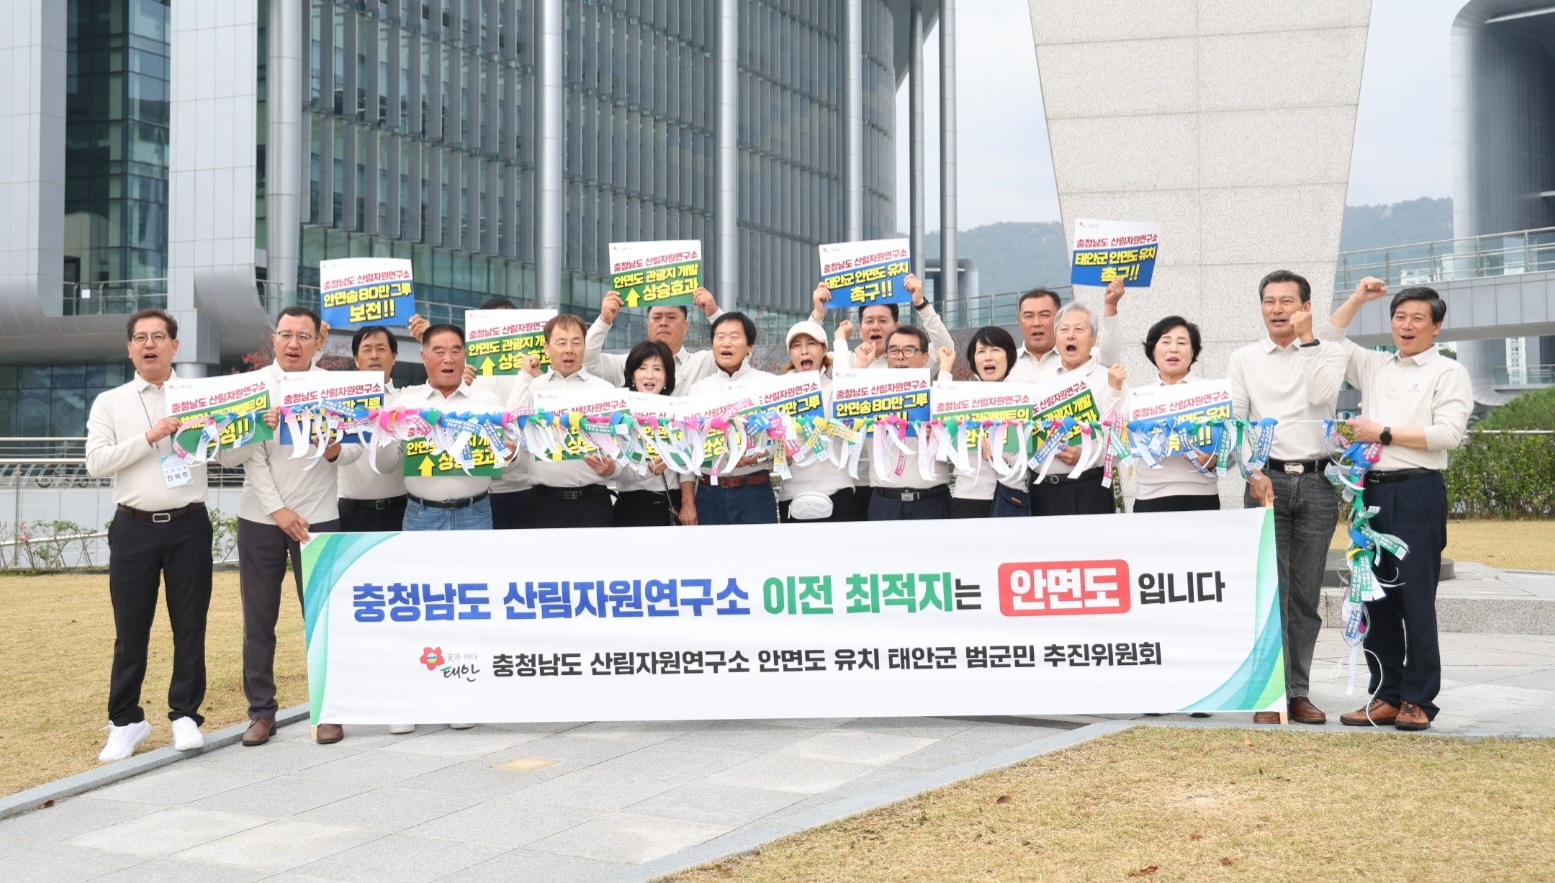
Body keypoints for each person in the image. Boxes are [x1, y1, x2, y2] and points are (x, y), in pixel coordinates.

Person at [1319, 278, 1472, 732]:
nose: (1407, 326)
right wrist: (1359, 299)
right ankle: (1385, 693)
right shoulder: (1375, 365)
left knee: (1416, 599)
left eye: (1418, 318)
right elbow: (1328, 338)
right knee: (1374, 596)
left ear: (1437, 327)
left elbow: (1448, 435)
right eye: (1400, 317)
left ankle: (1418, 699)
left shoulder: (1447, 372)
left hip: (1418, 490)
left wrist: (1381, 433)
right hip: (1371, 493)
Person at [85, 309, 213, 761]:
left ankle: (185, 715)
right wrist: (149, 436)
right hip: (133, 526)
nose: (149, 344)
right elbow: (96, 462)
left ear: (176, 346)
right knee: (130, 629)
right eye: (140, 337)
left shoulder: (200, 395)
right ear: (130, 348)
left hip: (189, 524)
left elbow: (231, 453)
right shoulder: (111, 401)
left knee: (190, 624)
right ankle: (126, 720)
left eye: (159, 336)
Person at [1226, 269, 1349, 726]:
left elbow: (1324, 396)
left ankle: (1298, 691)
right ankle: (1269, 692)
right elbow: (1236, 422)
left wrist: (1310, 342)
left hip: (1317, 483)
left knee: (1304, 596)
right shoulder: (1243, 358)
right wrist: (1251, 471)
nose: (1277, 309)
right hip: (1266, 484)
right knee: (1268, 594)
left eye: (1287, 302)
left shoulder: (1328, 353)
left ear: (1305, 307)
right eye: (1269, 301)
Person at [232, 307, 360, 747]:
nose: (293, 343)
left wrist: (331, 450)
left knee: (322, 618)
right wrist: (278, 511)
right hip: (260, 518)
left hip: (321, 516)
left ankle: (329, 709)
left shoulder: (332, 387)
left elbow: (354, 451)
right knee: (258, 619)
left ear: (318, 342)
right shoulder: (253, 388)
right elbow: (250, 457)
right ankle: (261, 713)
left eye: (303, 336)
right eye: (285, 334)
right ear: (273, 338)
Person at [381, 323, 506, 735]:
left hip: (475, 512)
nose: (448, 358)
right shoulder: (406, 401)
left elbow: (509, 467)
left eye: (456, 350)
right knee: (416, 607)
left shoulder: (486, 401)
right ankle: (408, 698)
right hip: (422, 515)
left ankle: (462, 694)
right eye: (439, 350)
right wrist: (389, 433)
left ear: (465, 356)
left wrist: (509, 447)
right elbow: (383, 467)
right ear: (424, 356)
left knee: (469, 609)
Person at [411, 298, 532, 528]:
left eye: (510, 324)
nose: (503, 331)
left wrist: (527, 376)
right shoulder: (468, 376)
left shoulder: (532, 369)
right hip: (472, 494)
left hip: (521, 486)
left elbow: (510, 435)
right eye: (496, 323)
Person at [508, 314, 622, 528]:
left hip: (593, 502)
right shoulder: (534, 386)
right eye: (561, 342)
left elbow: (623, 446)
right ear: (547, 348)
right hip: (544, 502)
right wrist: (525, 376)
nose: (569, 349)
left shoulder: (605, 390)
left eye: (576, 342)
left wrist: (614, 469)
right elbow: (511, 427)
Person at [1029, 302, 1126, 517]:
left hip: (1091, 488)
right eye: (1064, 330)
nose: (1070, 335)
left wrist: (1086, 456)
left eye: (1079, 329)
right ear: (1056, 337)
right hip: (1043, 491)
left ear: (1094, 338)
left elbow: (1121, 442)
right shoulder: (1037, 382)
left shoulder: (1108, 379)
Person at [681, 312, 778, 525]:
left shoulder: (769, 384)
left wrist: (761, 456)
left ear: (750, 346)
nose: (726, 343)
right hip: (708, 493)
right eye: (720, 337)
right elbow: (687, 451)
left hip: (755, 490)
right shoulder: (697, 390)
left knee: (760, 556)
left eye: (734, 337)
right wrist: (688, 502)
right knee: (712, 557)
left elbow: (782, 440)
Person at [1128, 316, 1220, 513]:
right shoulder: (1138, 397)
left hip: (1201, 496)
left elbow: (1229, 448)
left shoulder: (1211, 393)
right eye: (1166, 342)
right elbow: (1122, 441)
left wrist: (1215, 461)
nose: (1173, 349)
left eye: (1182, 343)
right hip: (1150, 496)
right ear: (1153, 350)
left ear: (1193, 351)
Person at [942, 325, 1030, 519]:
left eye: (995, 350)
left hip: (1011, 494)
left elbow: (1034, 452)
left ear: (1009, 356)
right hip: (968, 495)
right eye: (981, 351)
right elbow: (941, 415)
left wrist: (1004, 459)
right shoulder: (962, 397)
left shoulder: (1024, 396)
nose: (988, 356)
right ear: (974, 360)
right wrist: (945, 371)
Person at [867, 326, 954, 521]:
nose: (900, 356)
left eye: (909, 350)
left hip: (932, 502)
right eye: (894, 350)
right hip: (885, 503)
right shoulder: (870, 398)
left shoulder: (939, 395)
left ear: (925, 357)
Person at [775, 319, 858, 522]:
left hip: (837, 492)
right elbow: (773, 448)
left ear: (824, 351)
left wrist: (840, 339)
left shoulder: (836, 387)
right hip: (792, 496)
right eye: (796, 345)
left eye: (811, 343)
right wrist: (781, 455)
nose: (804, 351)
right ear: (790, 354)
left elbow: (847, 385)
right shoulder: (777, 392)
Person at [584, 288, 723, 393]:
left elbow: (741, 355)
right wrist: (604, 320)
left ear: (686, 326)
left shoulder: (703, 364)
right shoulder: (628, 364)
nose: (663, 323)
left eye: (671, 317)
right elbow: (587, 363)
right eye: (656, 317)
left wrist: (714, 313)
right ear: (647, 326)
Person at [336, 326, 406, 531]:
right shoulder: (340, 402)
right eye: (367, 349)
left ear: (394, 357)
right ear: (356, 360)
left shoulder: (407, 398)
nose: (374, 355)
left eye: (381, 349)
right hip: (350, 512)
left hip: (399, 510)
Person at [611, 341, 681, 526]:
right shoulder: (620, 414)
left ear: (667, 377)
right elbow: (613, 469)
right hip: (633, 505)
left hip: (673, 503)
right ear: (632, 376)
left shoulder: (679, 412)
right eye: (642, 368)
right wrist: (646, 470)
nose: (650, 376)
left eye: (657, 369)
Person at [1006, 279, 1126, 384]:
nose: (1036, 323)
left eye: (1044, 315)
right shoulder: (1005, 363)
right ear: (1019, 321)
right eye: (1028, 316)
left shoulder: (1088, 357)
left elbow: (1110, 354)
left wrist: (1110, 306)